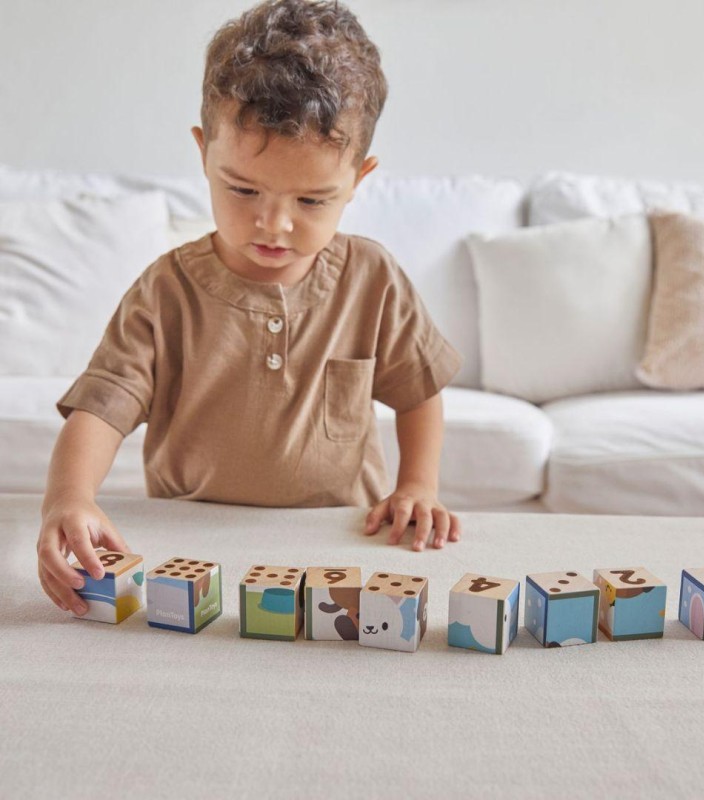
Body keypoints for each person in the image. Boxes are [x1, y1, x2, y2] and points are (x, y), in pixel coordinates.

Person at [36, 0, 463, 617]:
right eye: (242, 189)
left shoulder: (373, 278)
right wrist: (67, 497)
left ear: (359, 180)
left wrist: (418, 486)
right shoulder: (166, 291)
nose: (274, 224)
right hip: (192, 539)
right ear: (203, 152)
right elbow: (100, 408)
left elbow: (419, 390)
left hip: (342, 539)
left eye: (313, 201)